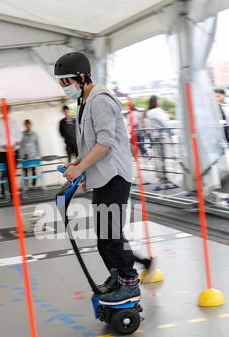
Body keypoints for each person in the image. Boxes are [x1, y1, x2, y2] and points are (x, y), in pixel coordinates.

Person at [54, 51, 151, 305]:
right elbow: (89, 144)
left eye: (67, 82)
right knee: (103, 237)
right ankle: (117, 276)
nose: (65, 88)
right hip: (101, 176)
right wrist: (77, 165)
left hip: (115, 176)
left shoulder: (100, 100)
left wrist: (81, 167)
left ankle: (130, 283)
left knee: (112, 233)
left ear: (82, 77)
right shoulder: (84, 102)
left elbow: (105, 142)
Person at [0, 106, 21, 197]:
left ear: (8, 111)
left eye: (6, 110)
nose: (5, 111)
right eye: (3, 110)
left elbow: (18, 136)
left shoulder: (13, 122)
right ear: (1, 111)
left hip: (14, 150)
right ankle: (4, 192)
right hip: (3, 152)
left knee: (12, 172)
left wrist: (15, 144)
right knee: (5, 172)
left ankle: (13, 191)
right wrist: (5, 146)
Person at [146, 95, 172, 184]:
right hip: (162, 135)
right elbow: (165, 122)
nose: (160, 100)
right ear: (156, 101)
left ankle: (160, 177)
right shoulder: (158, 111)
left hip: (154, 135)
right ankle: (164, 177)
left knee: (158, 157)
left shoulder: (149, 112)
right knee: (163, 157)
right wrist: (170, 131)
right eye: (159, 99)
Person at [215, 88, 229, 158]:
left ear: (223, 95)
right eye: (215, 97)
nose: (217, 98)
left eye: (218, 96)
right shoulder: (219, 104)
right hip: (226, 128)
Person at [19, 119, 41, 188]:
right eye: (26, 124)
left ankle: (34, 184)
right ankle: (26, 185)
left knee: (34, 170)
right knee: (25, 171)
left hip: (33, 155)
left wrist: (38, 154)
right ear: (25, 125)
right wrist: (20, 155)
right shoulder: (22, 134)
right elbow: (20, 145)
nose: (28, 125)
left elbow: (37, 144)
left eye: (29, 124)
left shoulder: (34, 134)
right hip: (25, 156)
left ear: (30, 125)